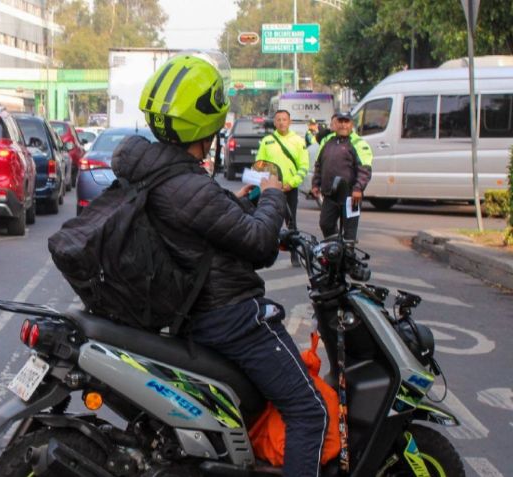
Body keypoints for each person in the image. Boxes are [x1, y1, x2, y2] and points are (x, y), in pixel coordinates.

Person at [114, 54, 327, 477]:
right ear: (207, 121)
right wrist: (271, 194)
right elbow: (259, 245)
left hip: (194, 313)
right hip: (230, 315)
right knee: (308, 411)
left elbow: (200, 221)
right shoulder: (185, 183)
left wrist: (239, 201)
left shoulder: (160, 173)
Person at [254, 109, 309, 266]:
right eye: (278, 120)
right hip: (272, 189)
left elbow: (304, 166)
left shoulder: (298, 141)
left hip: (290, 188)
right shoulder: (267, 141)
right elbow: (259, 164)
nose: (281, 122)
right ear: (274, 122)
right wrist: (272, 181)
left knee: (291, 222)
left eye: (284, 119)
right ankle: (268, 254)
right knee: (269, 220)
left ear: (289, 122)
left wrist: (292, 183)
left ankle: (295, 255)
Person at [311, 112, 373, 242]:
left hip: (351, 197)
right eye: (341, 122)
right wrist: (315, 184)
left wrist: (358, 189)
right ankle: (335, 251)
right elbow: (319, 164)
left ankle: (347, 259)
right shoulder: (327, 141)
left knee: (349, 233)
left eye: (347, 122)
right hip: (330, 195)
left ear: (352, 124)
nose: (343, 125)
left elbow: (365, 170)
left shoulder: (359, 143)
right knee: (325, 224)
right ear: (336, 123)